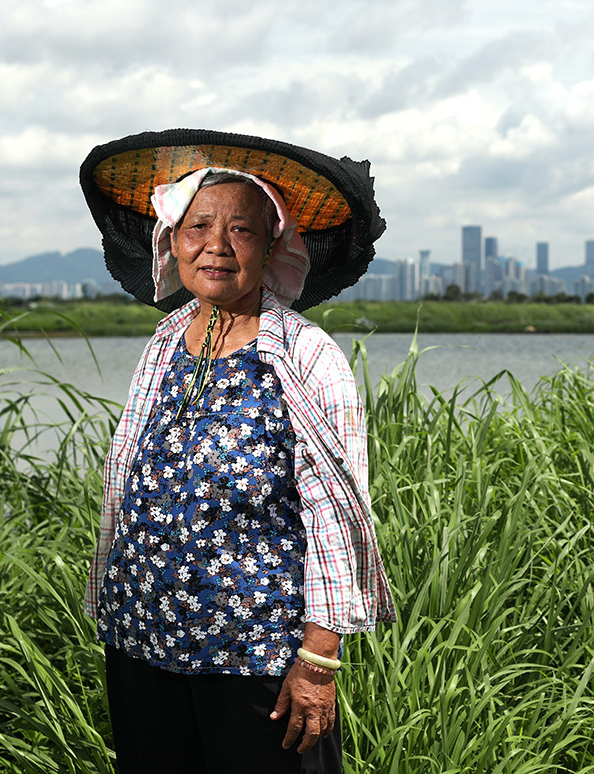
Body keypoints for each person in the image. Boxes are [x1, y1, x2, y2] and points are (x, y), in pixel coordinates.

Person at [79, 130, 396, 773]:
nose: (216, 246)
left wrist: (319, 659)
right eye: (197, 225)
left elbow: (335, 515)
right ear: (172, 241)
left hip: (255, 656)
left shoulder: (307, 356)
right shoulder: (166, 342)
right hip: (142, 640)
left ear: (273, 247)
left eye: (242, 230)